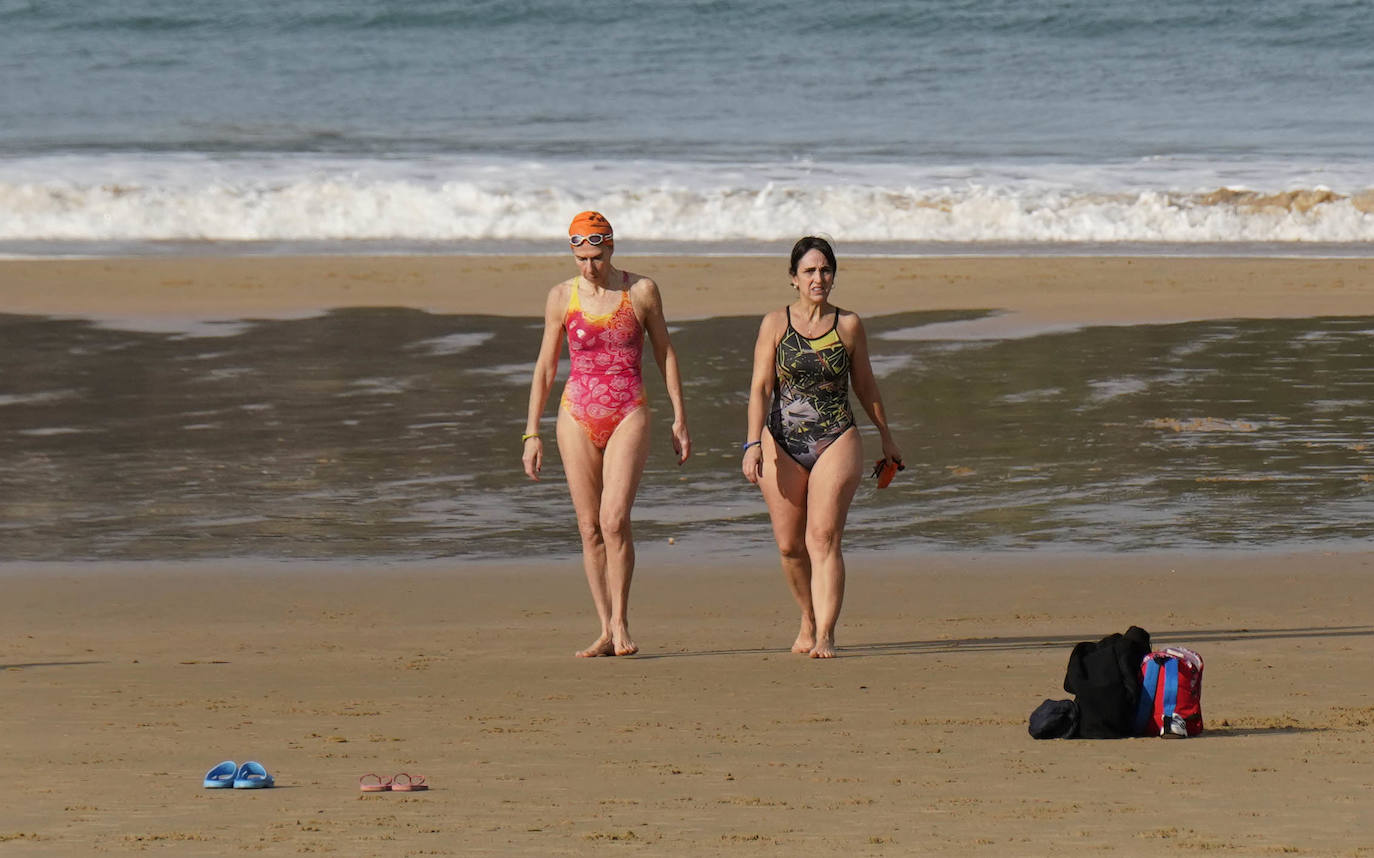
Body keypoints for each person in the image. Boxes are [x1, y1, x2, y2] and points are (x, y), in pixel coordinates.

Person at [522, 211, 691, 657]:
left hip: (628, 411)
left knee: (614, 519)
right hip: (575, 414)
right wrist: (530, 432)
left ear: (611, 248)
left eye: (596, 256)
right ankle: (604, 627)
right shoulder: (561, 296)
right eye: (581, 257)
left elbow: (664, 352)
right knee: (588, 526)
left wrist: (679, 416)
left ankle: (621, 622)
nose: (590, 266)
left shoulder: (640, 291)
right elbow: (544, 367)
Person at [742, 236, 902, 658]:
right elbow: (760, 387)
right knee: (790, 545)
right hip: (781, 441)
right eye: (809, 271)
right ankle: (808, 619)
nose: (819, 278)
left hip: (836, 437)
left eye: (825, 270)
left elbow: (865, 385)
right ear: (793, 278)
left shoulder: (847, 324)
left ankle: (827, 633)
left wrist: (886, 435)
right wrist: (752, 442)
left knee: (823, 536)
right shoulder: (775, 324)